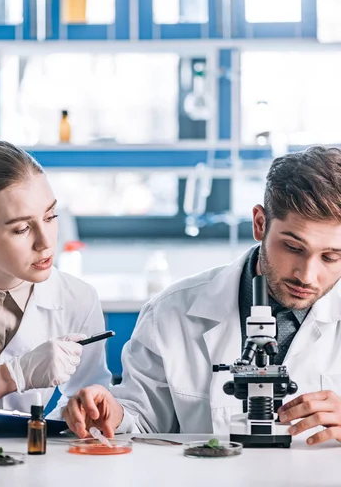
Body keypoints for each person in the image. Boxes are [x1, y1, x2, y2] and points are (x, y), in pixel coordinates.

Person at [59, 146, 341, 446]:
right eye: (293, 248)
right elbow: (141, 420)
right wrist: (112, 412)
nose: (307, 276)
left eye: (331, 257)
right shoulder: (170, 313)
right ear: (260, 223)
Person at [0, 141, 110, 413]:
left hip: (31, 454)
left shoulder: (77, 299)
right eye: (21, 229)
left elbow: (86, 394)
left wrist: (76, 413)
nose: (45, 242)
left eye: (50, 216)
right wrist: (11, 376)